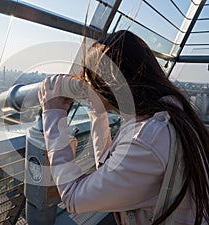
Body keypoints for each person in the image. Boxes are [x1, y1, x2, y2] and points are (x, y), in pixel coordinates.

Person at [38, 30, 209, 225]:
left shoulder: (147, 140)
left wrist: (52, 114)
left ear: (110, 84)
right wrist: (97, 111)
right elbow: (110, 168)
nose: (88, 88)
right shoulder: (166, 114)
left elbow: (73, 197)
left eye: (92, 81)